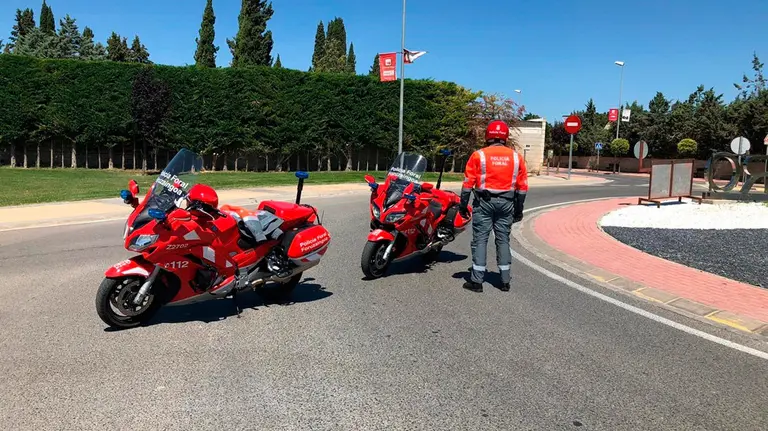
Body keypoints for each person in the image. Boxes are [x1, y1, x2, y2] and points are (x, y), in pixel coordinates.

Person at [459, 120, 528, 293]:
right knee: (503, 239)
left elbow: (468, 184)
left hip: (483, 203)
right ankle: (505, 280)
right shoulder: (516, 157)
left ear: (487, 135)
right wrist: (518, 211)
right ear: (505, 136)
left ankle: (477, 281)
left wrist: (462, 205)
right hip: (507, 204)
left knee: (480, 240)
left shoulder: (478, 155)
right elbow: (522, 188)